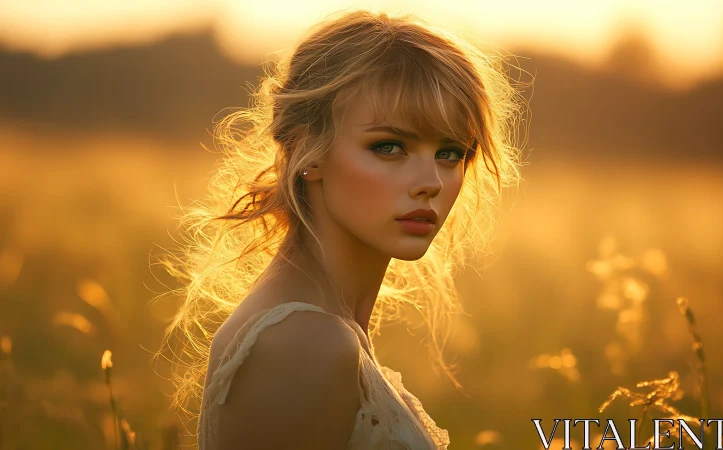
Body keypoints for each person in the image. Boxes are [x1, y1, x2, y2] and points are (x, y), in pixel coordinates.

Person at [156, 9, 527, 450]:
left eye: (451, 152)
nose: (431, 181)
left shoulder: (323, 327)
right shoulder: (306, 342)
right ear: (306, 149)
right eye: (389, 146)